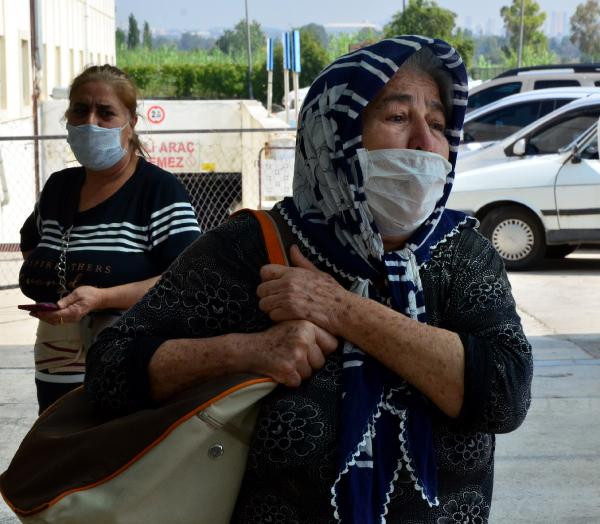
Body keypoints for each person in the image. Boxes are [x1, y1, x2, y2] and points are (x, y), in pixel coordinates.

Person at [85, 37, 533, 523]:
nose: (426, 142)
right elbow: (109, 369)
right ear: (333, 134)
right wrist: (246, 351)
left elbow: (504, 397)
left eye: (439, 124)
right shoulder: (253, 247)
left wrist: (342, 309)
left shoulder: (462, 252)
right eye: (398, 117)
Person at [19, 65, 201, 414]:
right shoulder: (59, 187)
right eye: (79, 109)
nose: (90, 122)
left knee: (112, 453)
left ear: (131, 122)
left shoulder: (158, 190)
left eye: (105, 113)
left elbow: (187, 279)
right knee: (61, 448)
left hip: (126, 353)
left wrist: (101, 298)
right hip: (56, 358)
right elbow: (33, 243)